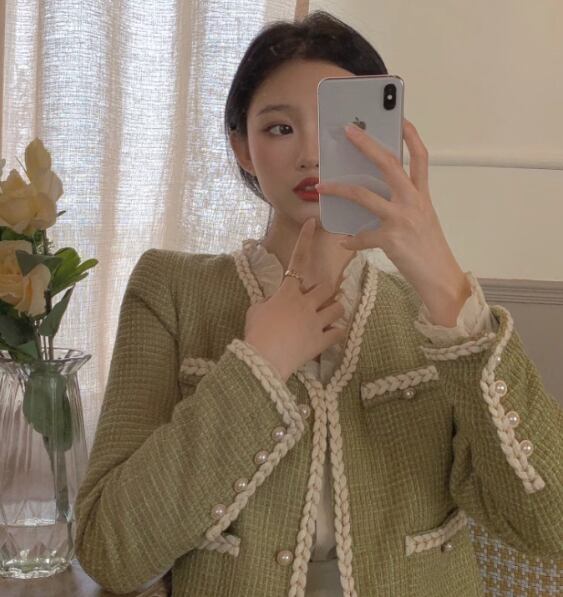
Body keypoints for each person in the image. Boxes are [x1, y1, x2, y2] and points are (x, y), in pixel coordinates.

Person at [74, 10, 563, 597]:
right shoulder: (170, 289)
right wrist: (261, 364)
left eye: (343, 125)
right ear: (243, 147)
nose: (311, 154)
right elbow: (111, 552)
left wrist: (444, 282)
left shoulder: (434, 315)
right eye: (280, 128)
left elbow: (549, 526)